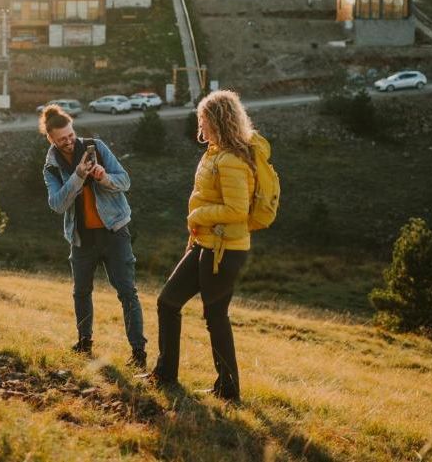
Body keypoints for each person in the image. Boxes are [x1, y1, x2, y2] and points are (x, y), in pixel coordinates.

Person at [146, 90, 266, 403]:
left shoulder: (231, 160)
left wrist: (199, 214)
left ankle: (228, 390)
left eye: (203, 118)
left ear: (218, 120)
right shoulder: (214, 152)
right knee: (168, 302)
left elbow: (237, 210)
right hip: (205, 243)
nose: (199, 123)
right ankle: (166, 374)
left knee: (215, 317)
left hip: (225, 250)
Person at [40, 105, 147, 368]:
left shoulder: (96, 146)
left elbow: (126, 181)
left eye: (71, 135)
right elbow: (56, 204)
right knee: (81, 292)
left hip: (114, 231)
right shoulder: (51, 168)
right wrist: (77, 176)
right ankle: (84, 342)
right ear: (51, 139)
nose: (69, 141)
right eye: (62, 138)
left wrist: (104, 177)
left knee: (127, 292)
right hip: (81, 238)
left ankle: (138, 352)